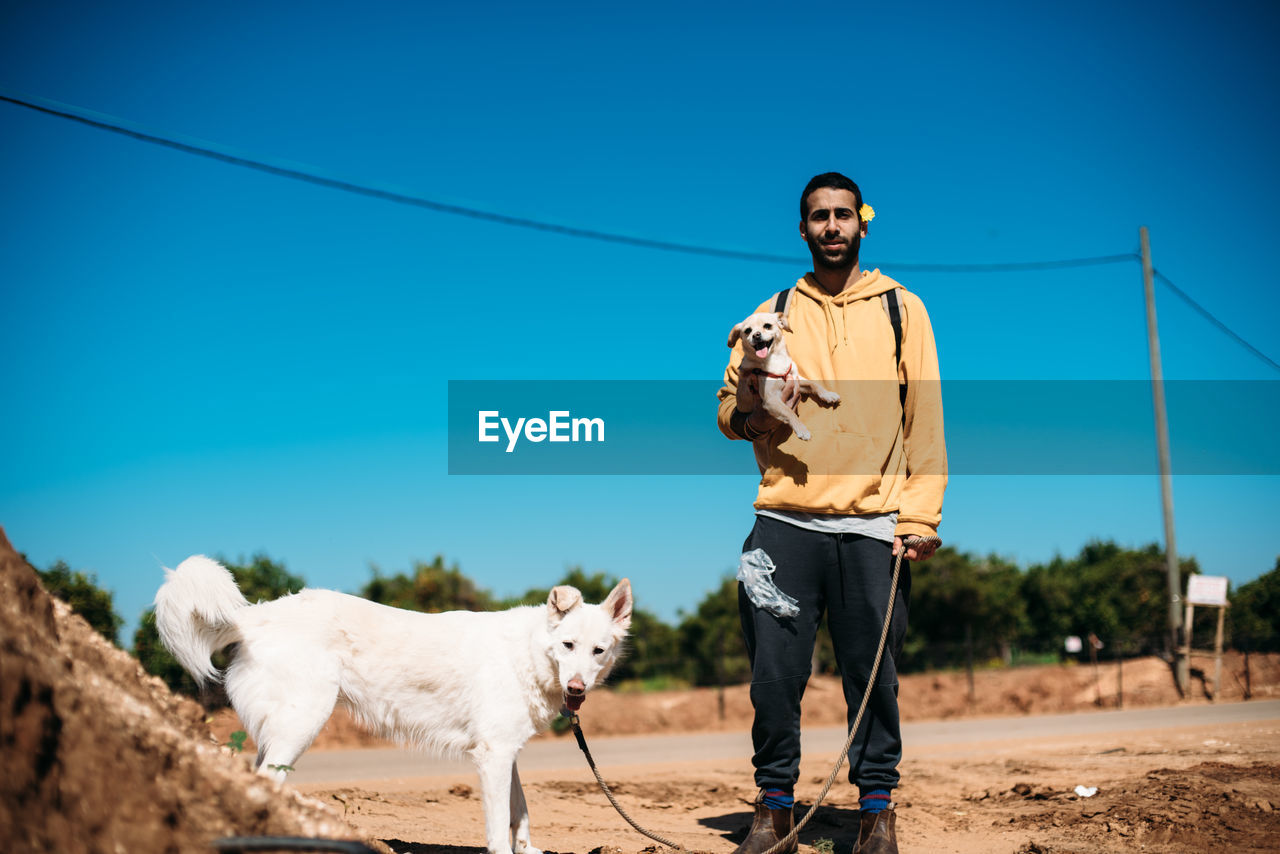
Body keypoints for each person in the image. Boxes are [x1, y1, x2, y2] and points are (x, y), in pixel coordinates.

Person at [717, 172, 947, 854]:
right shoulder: (770, 312)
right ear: (803, 228)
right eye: (819, 216)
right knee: (774, 676)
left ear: (861, 223)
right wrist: (754, 409)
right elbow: (728, 412)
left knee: (872, 676)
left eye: (843, 215)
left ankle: (876, 810)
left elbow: (924, 418)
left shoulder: (903, 309)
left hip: (876, 524)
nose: (832, 226)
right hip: (785, 519)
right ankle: (774, 807)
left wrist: (920, 516)